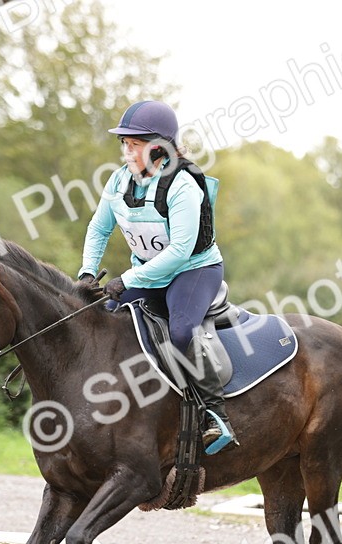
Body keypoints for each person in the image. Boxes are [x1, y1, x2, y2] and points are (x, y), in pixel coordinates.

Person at [79, 100, 237, 454]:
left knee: (181, 330)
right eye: (124, 144)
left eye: (134, 145)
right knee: (100, 321)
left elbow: (180, 251)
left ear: (159, 147)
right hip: (149, 274)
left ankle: (215, 414)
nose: (126, 152)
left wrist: (129, 277)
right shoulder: (119, 181)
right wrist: (88, 271)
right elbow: (98, 228)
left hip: (194, 272)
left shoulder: (182, 186)